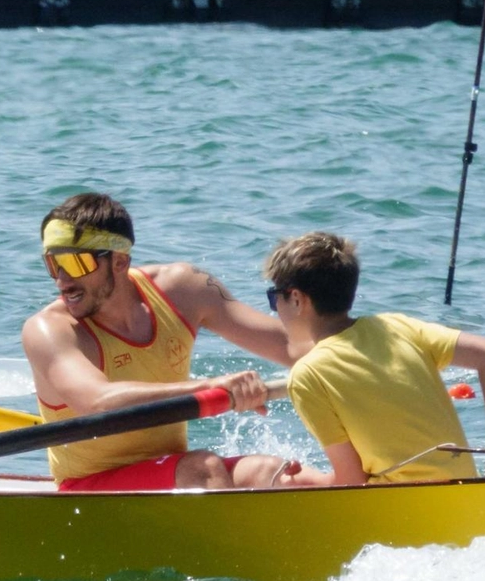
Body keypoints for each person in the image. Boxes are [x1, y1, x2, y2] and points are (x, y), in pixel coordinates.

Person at [22, 192, 321, 491]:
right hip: (88, 489)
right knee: (204, 468)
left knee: (276, 472)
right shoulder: (49, 330)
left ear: (120, 261)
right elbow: (97, 402)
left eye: (76, 264)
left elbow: (292, 348)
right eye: (53, 264)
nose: (62, 280)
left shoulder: (183, 289)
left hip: (172, 471)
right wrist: (209, 386)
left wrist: (357, 353)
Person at [263, 232, 485, 484]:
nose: (274, 309)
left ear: (296, 299)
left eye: (274, 299)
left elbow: (351, 480)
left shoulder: (306, 375)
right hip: (463, 488)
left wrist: (296, 481)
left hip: (397, 506)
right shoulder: (396, 327)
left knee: (263, 472)